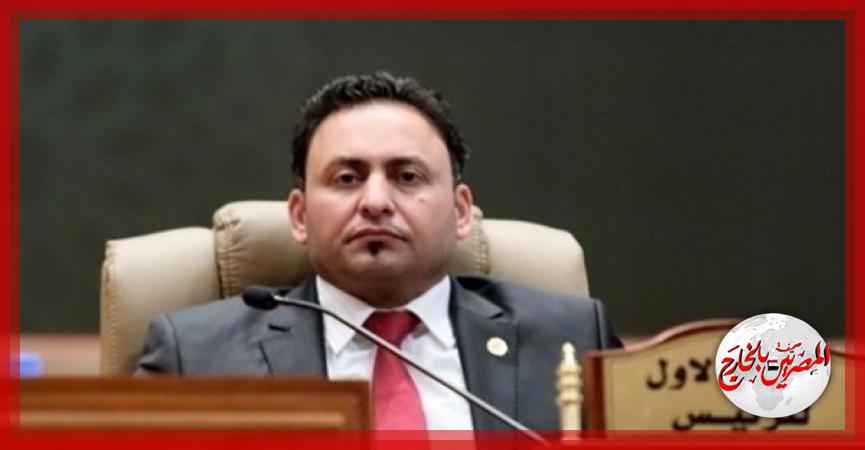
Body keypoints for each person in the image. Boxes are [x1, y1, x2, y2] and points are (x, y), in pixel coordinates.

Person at [137, 72, 623, 432]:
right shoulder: (196, 358)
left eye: (406, 177)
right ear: (300, 216)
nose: (375, 201)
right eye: (347, 178)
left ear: (460, 212)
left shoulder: (571, 339)